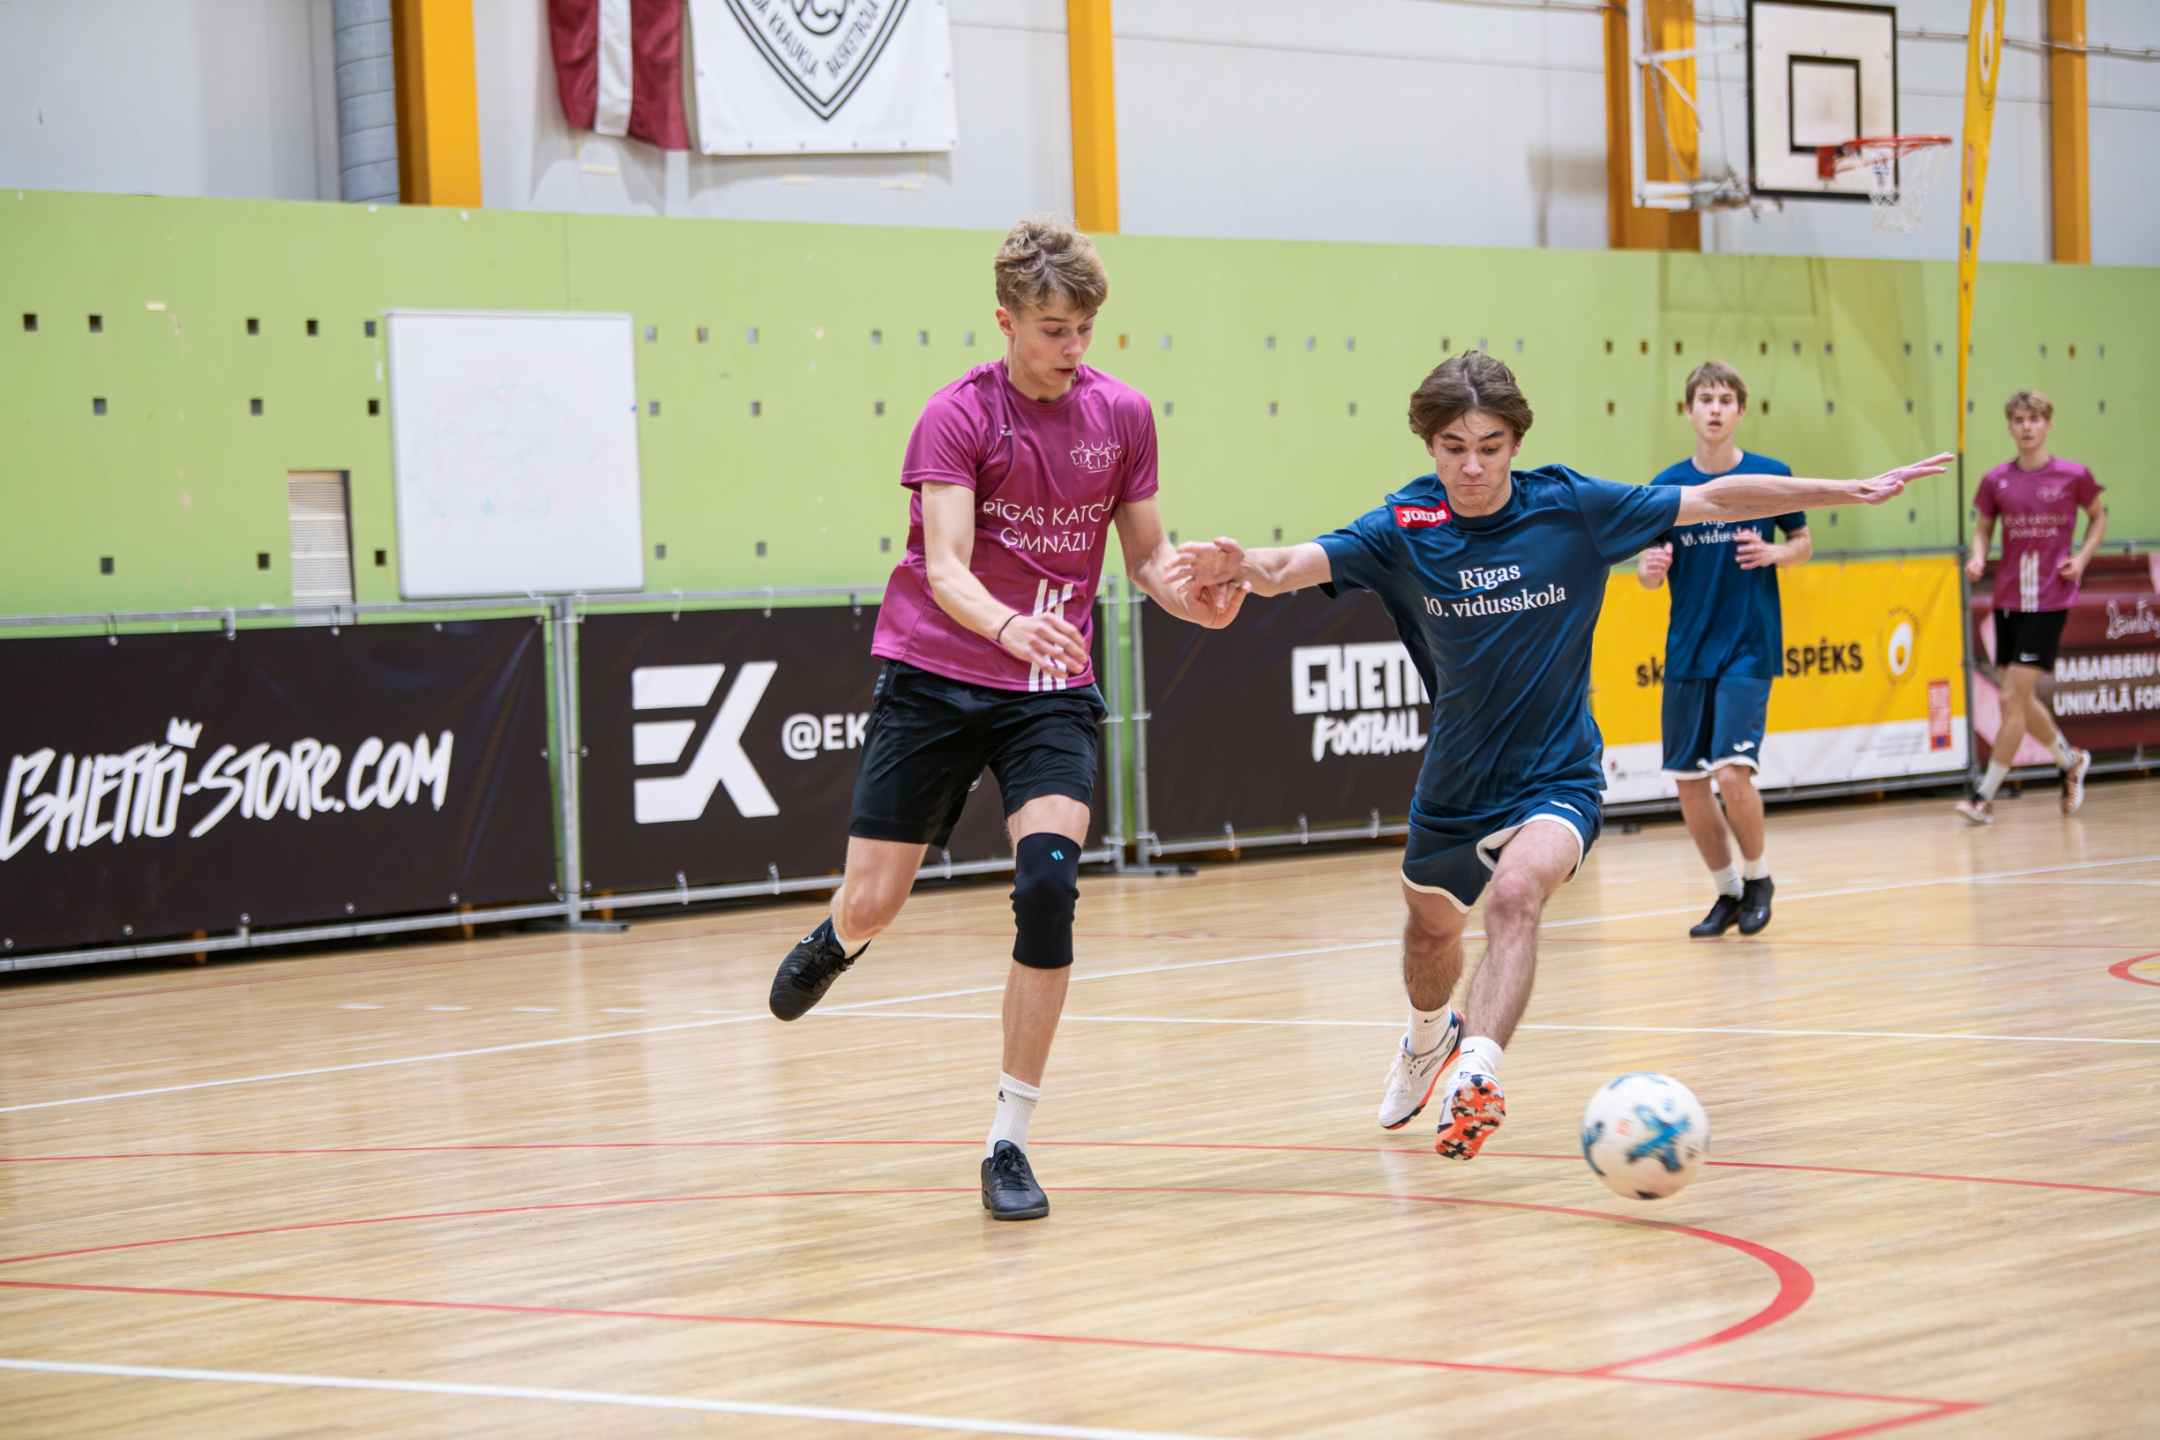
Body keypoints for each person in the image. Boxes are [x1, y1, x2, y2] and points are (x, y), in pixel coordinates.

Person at [1180, 352, 1947, 1160]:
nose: (1471, 467)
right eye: (1453, 448)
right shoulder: (1403, 528)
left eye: (1490, 447)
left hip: (1558, 775)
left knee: (1516, 895)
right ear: (1428, 445)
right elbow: (1287, 566)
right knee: (1430, 935)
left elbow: (1718, 498)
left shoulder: (1573, 508)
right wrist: (1237, 569)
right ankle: (1427, 1040)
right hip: (1456, 783)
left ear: (1516, 443)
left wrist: (1849, 490)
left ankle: (1477, 1071)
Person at [765, 216, 1242, 1222]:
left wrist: (1189, 592)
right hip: (936, 677)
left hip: (1050, 690)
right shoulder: (956, 416)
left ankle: (1008, 1139)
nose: (1074, 347)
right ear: (1008, 321)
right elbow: (944, 566)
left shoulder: (1124, 415)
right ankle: (839, 937)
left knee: (1048, 886)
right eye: (1055, 330)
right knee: (874, 902)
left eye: (1085, 329)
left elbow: (1145, 557)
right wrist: (1009, 625)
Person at [1636, 362, 1810, 939]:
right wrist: (1650, 569)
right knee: (1689, 782)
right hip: (1688, 650)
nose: (1714, 408)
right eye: (1705, 399)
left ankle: (1759, 879)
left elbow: (1803, 542)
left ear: (1740, 410)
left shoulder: (1771, 476)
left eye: (1725, 399)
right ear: (1688, 410)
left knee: (1732, 775)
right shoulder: (1666, 487)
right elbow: (1649, 572)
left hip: (1747, 647)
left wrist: (1776, 554)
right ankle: (1727, 891)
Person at [1956, 389, 2103, 823]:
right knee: (2020, 699)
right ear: (2009, 427)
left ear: (2048, 425)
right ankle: (2070, 760)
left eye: (2034, 419)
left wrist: (2083, 557)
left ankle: (1984, 796)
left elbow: (2098, 517)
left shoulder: (2073, 476)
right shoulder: (1996, 480)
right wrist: (1978, 556)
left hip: (2050, 600)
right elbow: (1983, 527)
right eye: (2018, 420)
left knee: (2009, 698)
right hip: (2007, 600)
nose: (2026, 427)